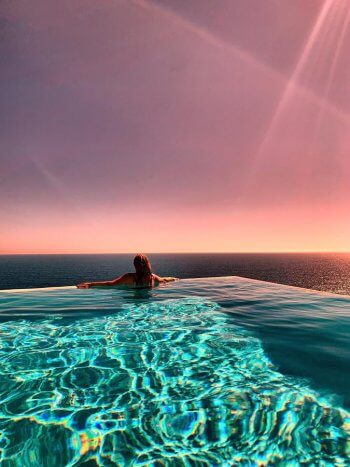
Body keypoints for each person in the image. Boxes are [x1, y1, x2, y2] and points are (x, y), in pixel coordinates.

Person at [77, 254, 178, 288]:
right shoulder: (152, 277)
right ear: (147, 264)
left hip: (134, 306)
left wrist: (90, 284)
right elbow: (164, 279)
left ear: (134, 264)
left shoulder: (129, 277)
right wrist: (174, 278)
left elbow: (110, 284)